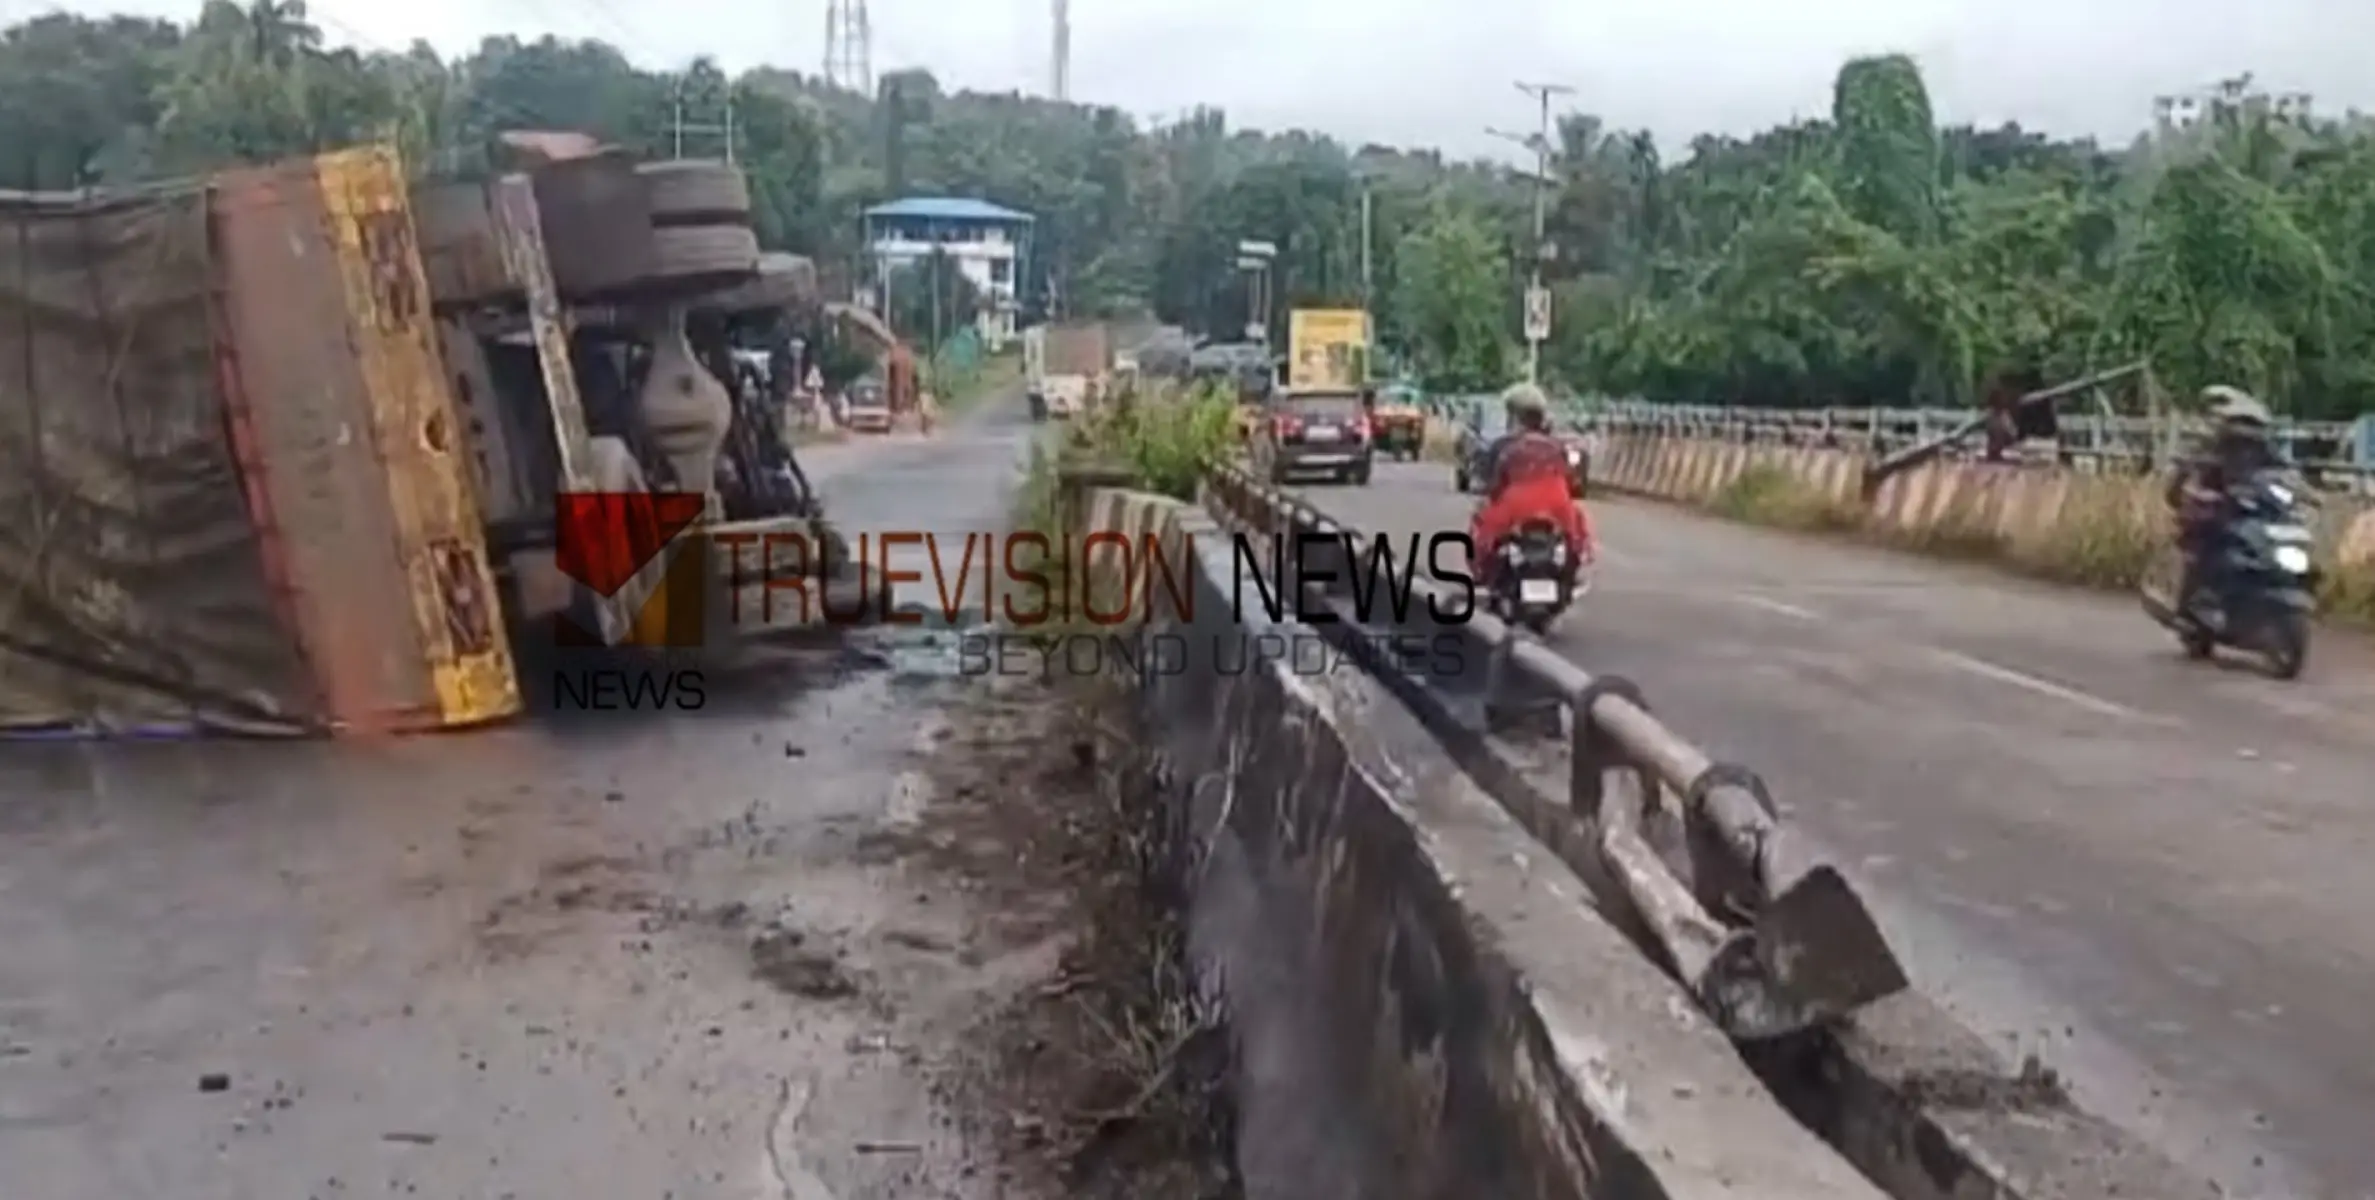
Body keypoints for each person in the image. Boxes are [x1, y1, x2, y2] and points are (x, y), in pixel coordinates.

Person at [2163, 385, 2285, 610]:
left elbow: (2285, 471)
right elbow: (2184, 471)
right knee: (2208, 538)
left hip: (2251, 505)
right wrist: (2194, 490)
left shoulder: (2265, 448)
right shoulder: (2209, 444)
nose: (2247, 433)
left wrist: (2304, 492)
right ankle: (2193, 599)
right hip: (2216, 503)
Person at [1468, 382, 1595, 588]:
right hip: (1558, 505)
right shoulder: (1558, 446)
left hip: (1515, 507)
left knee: (1481, 525)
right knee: (1577, 528)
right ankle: (1572, 573)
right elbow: (1572, 481)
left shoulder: (1503, 446)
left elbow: (1493, 485)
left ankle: (1483, 574)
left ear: (1515, 415)